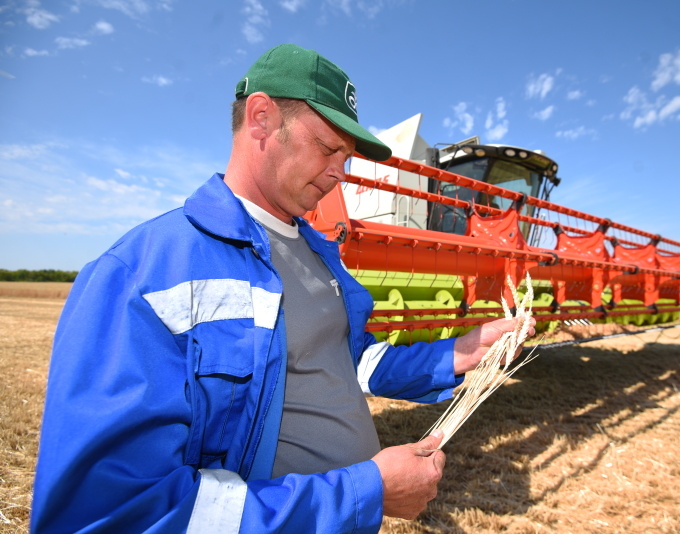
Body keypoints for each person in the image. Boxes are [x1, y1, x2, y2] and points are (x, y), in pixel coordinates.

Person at [31, 44, 533, 533]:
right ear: (262, 119)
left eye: (349, 155)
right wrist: (365, 492)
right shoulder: (142, 272)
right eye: (328, 147)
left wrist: (460, 353)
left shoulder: (322, 257)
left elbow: (350, 361)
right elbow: (113, 510)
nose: (342, 172)